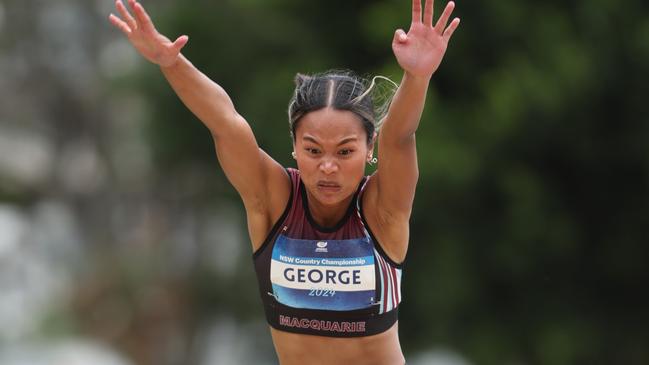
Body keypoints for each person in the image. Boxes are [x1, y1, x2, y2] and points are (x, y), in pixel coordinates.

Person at [109, 0, 459, 363]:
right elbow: (225, 122)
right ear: (293, 146)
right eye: (313, 150)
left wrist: (417, 77)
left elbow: (400, 137)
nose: (327, 167)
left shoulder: (382, 210)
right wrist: (172, 62)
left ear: (370, 148)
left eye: (343, 152)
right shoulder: (273, 200)